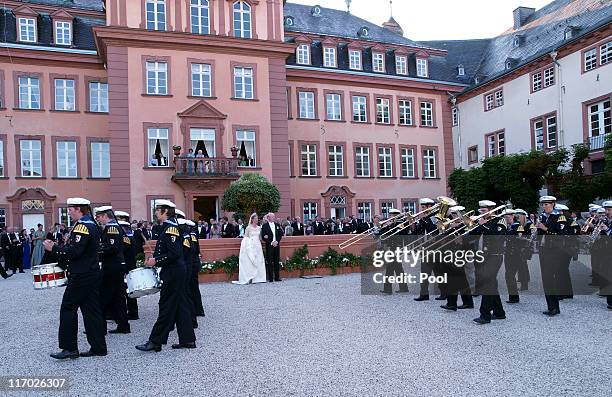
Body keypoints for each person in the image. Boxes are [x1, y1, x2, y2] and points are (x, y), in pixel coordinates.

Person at [45, 197, 107, 359]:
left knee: (68, 308)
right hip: (91, 272)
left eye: (70, 210)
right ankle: (99, 347)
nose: (69, 213)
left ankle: (69, 347)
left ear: (79, 209)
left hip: (81, 274)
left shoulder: (82, 227)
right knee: (91, 310)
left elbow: (76, 251)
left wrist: (55, 248)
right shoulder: (92, 225)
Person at [136, 200, 196, 352]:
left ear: (165, 212)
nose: (155, 213)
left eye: (157, 210)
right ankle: (188, 340)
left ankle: (155, 341)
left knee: (166, 307)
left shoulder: (171, 229)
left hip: (174, 273)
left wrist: (156, 260)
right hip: (175, 271)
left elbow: (175, 253)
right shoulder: (169, 228)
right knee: (181, 305)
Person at [95, 206, 130, 334]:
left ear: (105, 216)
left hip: (112, 266)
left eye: (99, 217)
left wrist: (98, 250)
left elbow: (112, 247)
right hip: (116, 265)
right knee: (118, 297)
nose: (98, 220)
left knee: (104, 296)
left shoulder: (112, 228)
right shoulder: (113, 227)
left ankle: (99, 327)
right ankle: (123, 325)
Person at [473, 200, 507, 325]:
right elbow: (474, 235)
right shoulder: (484, 221)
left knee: (487, 283)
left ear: (491, 209)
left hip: (495, 256)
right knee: (491, 284)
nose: (481, 212)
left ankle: (485, 315)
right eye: (481, 210)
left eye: (484, 210)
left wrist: (483, 225)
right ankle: (499, 312)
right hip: (485, 256)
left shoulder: (499, 220)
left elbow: (497, 236)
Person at [536, 195, 565, 316]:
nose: (544, 206)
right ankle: (551, 306)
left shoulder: (559, 217)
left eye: (547, 204)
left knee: (550, 278)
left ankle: (554, 307)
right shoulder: (543, 217)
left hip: (554, 251)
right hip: (543, 250)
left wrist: (545, 228)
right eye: (543, 204)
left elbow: (560, 234)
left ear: (553, 204)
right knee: (545, 279)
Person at [233, 213, 267, 285]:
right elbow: (246, 237)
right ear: (252, 219)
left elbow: (260, 237)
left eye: (257, 218)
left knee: (259, 260)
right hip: (251, 245)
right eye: (256, 218)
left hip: (258, 245)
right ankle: (251, 277)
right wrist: (247, 247)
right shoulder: (248, 228)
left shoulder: (259, 228)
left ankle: (259, 278)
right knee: (251, 260)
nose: (257, 220)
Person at [119, 220, 139, 321]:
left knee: (127, 290)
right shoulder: (131, 237)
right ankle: (133, 311)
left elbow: (121, 251)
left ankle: (132, 312)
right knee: (129, 289)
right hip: (130, 265)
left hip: (127, 266)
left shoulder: (126, 239)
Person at [261, 212, 284, 282]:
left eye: (274, 216)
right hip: (269, 246)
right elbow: (263, 236)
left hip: (276, 245)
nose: (273, 218)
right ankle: (270, 278)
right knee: (270, 261)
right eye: (272, 217)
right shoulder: (264, 226)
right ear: (268, 218)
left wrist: (277, 241)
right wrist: (271, 242)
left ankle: (277, 277)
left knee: (276, 261)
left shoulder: (277, 225)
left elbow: (281, 234)